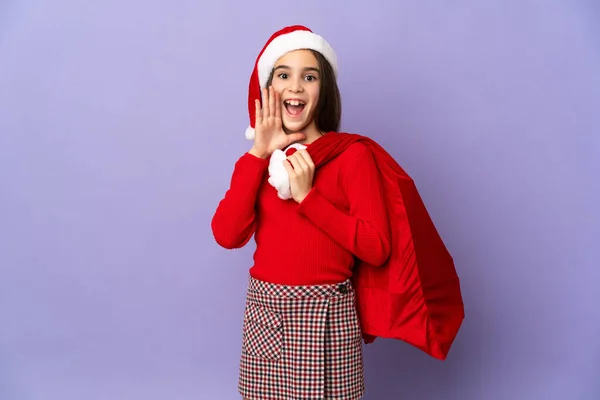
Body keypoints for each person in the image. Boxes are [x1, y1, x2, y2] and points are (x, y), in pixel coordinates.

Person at [211, 25, 391, 400]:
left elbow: (377, 248)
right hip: (267, 313)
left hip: (326, 314)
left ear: (323, 90)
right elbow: (227, 235)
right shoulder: (260, 162)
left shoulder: (351, 156)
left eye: (309, 76)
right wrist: (258, 154)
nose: (295, 86)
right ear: (268, 90)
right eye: (283, 75)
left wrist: (309, 198)